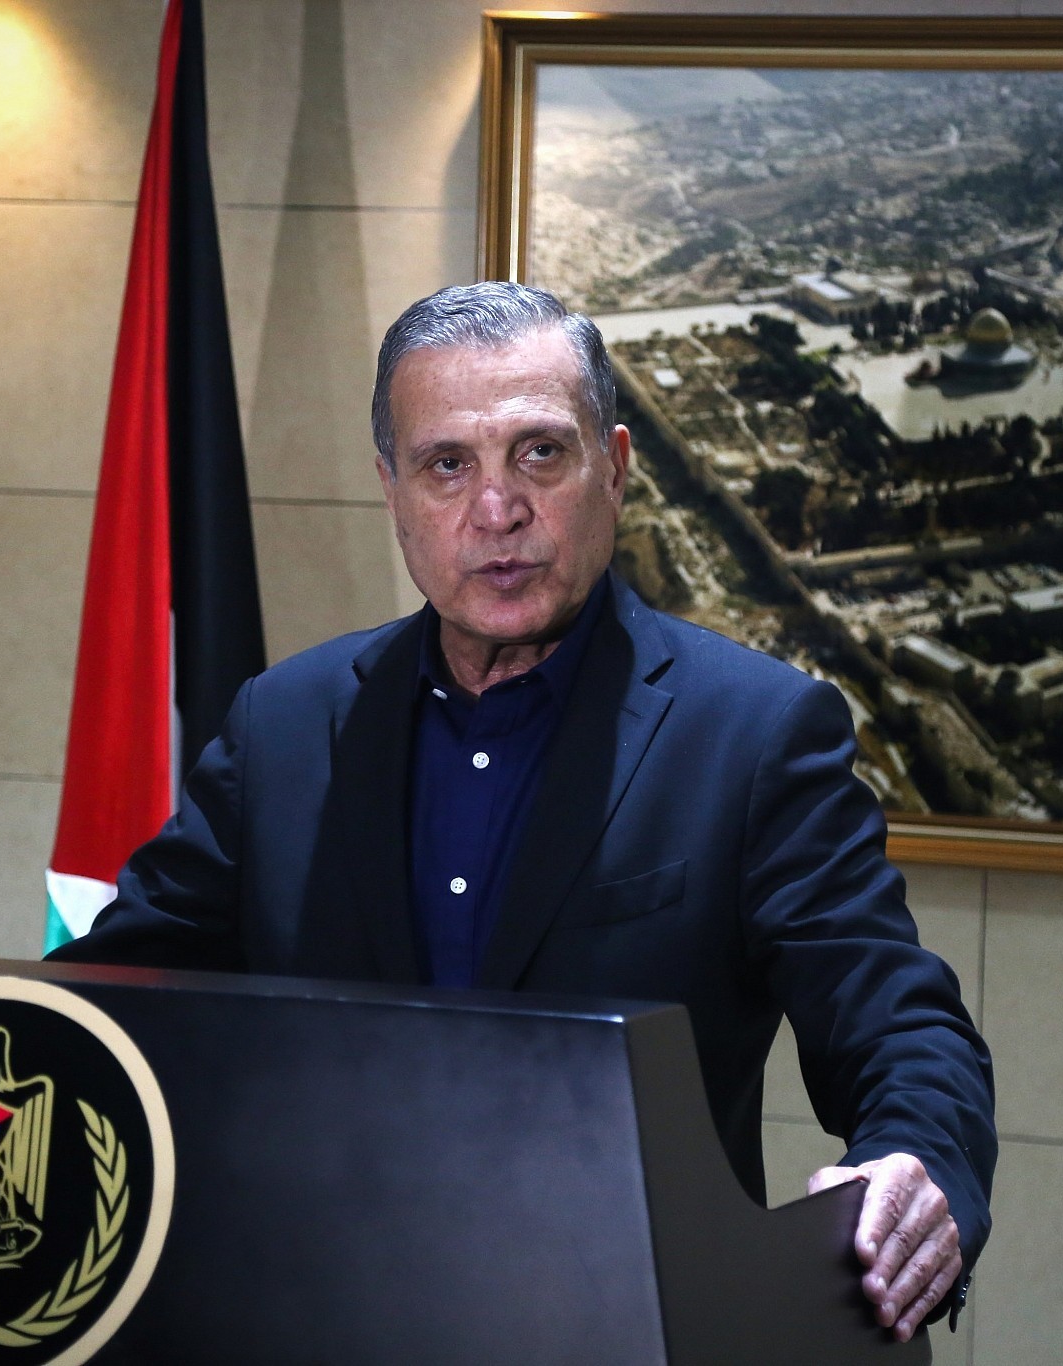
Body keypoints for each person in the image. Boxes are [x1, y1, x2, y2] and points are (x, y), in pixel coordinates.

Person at [50, 282, 996, 1341]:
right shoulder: (283, 725)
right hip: (308, 1318)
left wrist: (917, 1161)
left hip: (620, 1328)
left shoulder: (755, 733)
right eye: (446, 465)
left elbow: (899, 1024)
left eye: (539, 453)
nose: (495, 510)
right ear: (392, 490)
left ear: (615, 468)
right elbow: (109, 998)